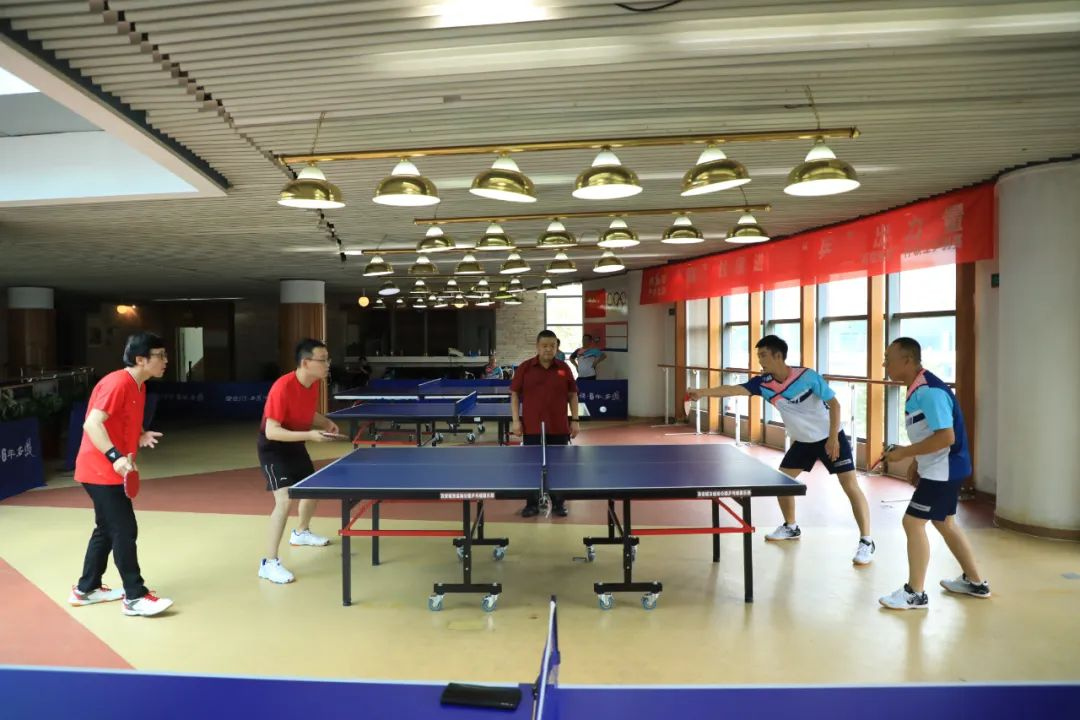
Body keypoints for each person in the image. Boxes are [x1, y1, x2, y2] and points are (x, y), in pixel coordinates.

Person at [690, 335, 875, 565]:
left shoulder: (807, 376)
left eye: (763, 355)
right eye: (758, 356)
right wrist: (702, 392)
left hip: (830, 436)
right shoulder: (763, 383)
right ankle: (791, 527)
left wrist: (833, 438)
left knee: (850, 486)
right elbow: (732, 389)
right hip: (803, 442)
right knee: (783, 481)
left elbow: (835, 404)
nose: (760, 361)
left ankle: (866, 541)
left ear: (778, 356)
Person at [878, 337, 989, 610]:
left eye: (888, 359)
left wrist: (905, 453)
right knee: (944, 522)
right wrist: (917, 461)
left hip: (944, 469)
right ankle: (975, 582)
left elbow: (946, 436)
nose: (884, 364)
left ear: (907, 361)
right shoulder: (918, 387)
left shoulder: (929, 391)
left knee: (912, 523)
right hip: (941, 467)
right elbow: (928, 432)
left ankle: (915, 593)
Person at [69, 332, 173, 617]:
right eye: (160, 355)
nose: (166, 360)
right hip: (99, 470)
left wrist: (140, 435)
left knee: (106, 529)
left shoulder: (139, 386)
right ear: (141, 359)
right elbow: (92, 424)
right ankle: (135, 596)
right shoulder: (117, 383)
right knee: (124, 529)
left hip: (110, 470)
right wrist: (115, 458)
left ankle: (86, 589)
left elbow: (121, 420)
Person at [257, 338, 341, 584]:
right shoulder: (282, 387)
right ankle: (269, 563)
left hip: (294, 443)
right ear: (306, 362)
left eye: (327, 359)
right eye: (323, 360)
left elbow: (304, 412)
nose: (328, 364)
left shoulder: (312, 385)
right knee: (284, 500)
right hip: (273, 447)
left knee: (311, 488)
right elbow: (272, 431)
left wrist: (325, 422)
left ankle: (301, 532)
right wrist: (310, 435)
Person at [510, 330, 580, 517]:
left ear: (557, 347)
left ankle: (558, 503)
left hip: (559, 427)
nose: (548, 349)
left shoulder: (564, 368)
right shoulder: (525, 368)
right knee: (531, 467)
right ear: (537, 347)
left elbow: (573, 395)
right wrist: (516, 421)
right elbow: (515, 395)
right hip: (531, 427)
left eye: (552, 346)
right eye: (544, 346)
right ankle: (531, 504)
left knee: (559, 467)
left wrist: (575, 420)